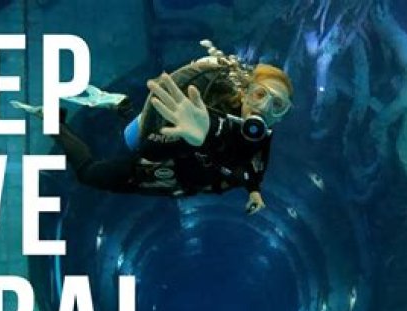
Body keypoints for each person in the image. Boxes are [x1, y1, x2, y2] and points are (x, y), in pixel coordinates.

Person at [15, 43, 293, 214]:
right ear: (246, 93)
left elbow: (255, 162)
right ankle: (54, 121)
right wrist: (196, 139)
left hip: (183, 183)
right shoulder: (203, 116)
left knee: (130, 134)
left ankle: (123, 106)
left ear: (281, 117)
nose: (264, 108)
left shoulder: (261, 134)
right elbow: (147, 147)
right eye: (260, 95)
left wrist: (254, 190)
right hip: (159, 171)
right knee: (88, 173)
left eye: (277, 105)